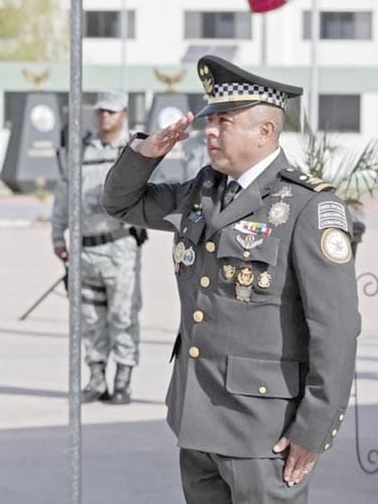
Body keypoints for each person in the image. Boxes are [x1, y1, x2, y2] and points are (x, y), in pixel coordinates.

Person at [103, 55, 360, 503]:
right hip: (196, 419)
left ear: (265, 131)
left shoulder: (308, 208)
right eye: (209, 121)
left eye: (224, 121)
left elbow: (335, 331)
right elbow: (122, 204)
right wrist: (145, 154)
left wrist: (315, 428)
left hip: (263, 432)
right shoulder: (202, 192)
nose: (211, 132)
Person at [51, 90, 144, 404]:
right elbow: (63, 194)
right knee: (89, 318)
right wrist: (57, 235)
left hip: (119, 248)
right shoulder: (79, 151)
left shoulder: (134, 151)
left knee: (122, 315)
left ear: (123, 116)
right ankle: (95, 378)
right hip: (84, 249)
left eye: (111, 112)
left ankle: (123, 379)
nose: (105, 117)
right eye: (101, 112)